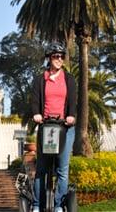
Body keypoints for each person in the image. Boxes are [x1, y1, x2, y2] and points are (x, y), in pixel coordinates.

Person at [31, 42, 76, 212]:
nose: (59, 59)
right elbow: (35, 101)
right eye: (56, 56)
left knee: (62, 169)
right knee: (41, 169)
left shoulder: (69, 79)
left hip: (65, 128)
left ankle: (58, 206)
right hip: (46, 127)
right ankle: (37, 205)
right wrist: (36, 114)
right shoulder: (40, 79)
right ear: (49, 58)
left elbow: (73, 101)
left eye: (62, 56)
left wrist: (71, 116)